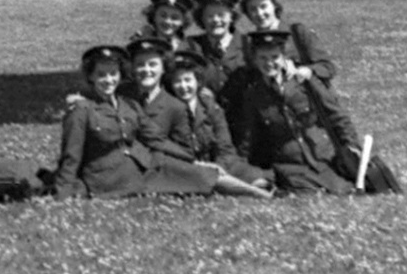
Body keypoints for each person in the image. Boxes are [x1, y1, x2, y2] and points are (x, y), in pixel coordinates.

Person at [238, 30, 362, 195]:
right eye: (263, 58)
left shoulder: (304, 82)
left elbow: (336, 115)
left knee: (343, 188)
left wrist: (352, 147)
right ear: (255, 60)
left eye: (274, 57)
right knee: (307, 189)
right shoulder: (254, 95)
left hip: (323, 158)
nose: (269, 63)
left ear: (283, 58)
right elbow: (251, 137)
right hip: (291, 166)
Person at [150, 51, 272, 198]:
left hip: (216, 163)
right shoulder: (168, 108)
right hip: (188, 166)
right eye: (177, 81)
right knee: (203, 177)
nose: (183, 86)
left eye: (188, 80)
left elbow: (225, 146)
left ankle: (249, 185)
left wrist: (219, 165)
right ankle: (254, 192)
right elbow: (164, 147)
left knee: (252, 173)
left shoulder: (210, 107)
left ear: (197, 81)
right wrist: (198, 164)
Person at [123, 38, 222, 197]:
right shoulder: (121, 95)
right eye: (140, 64)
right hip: (125, 167)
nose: (146, 70)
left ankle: (261, 193)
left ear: (163, 68)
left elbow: (184, 150)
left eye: (153, 64)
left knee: (202, 176)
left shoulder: (174, 106)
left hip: (158, 168)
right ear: (133, 68)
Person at [54, 45, 152, 199]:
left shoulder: (129, 105)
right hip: (106, 184)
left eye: (113, 73)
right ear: (91, 77)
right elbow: (71, 156)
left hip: (140, 174)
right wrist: (63, 193)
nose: (108, 80)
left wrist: (188, 157)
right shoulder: (82, 110)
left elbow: (156, 139)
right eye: (101, 75)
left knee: (188, 173)